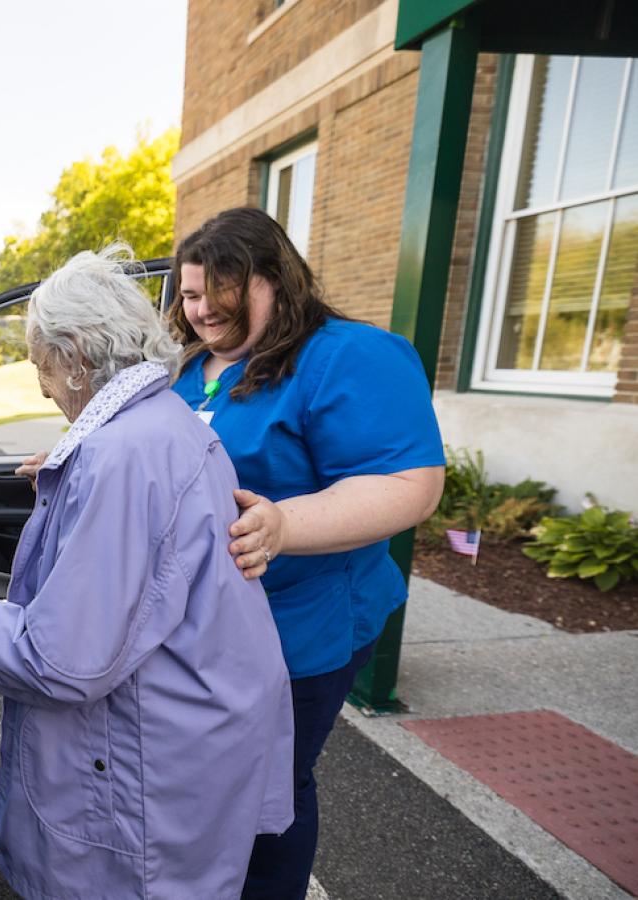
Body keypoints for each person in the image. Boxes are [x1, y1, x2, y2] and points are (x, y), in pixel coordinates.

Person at [0, 246, 294, 899]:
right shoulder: (158, 426)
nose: (41, 387)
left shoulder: (120, 459)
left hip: (146, 771)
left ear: (76, 356)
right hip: (188, 738)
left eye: (40, 366)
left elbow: (63, 659)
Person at [168, 207, 445, 899]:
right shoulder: (196, 366)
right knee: (213, 782)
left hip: (300, 623)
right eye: (191, 294)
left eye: (218, 295)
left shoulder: (348, 355)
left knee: (268, 791)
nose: (200, 311)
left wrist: (283, 525)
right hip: (205, 627)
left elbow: (409, 484)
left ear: (272, 280)